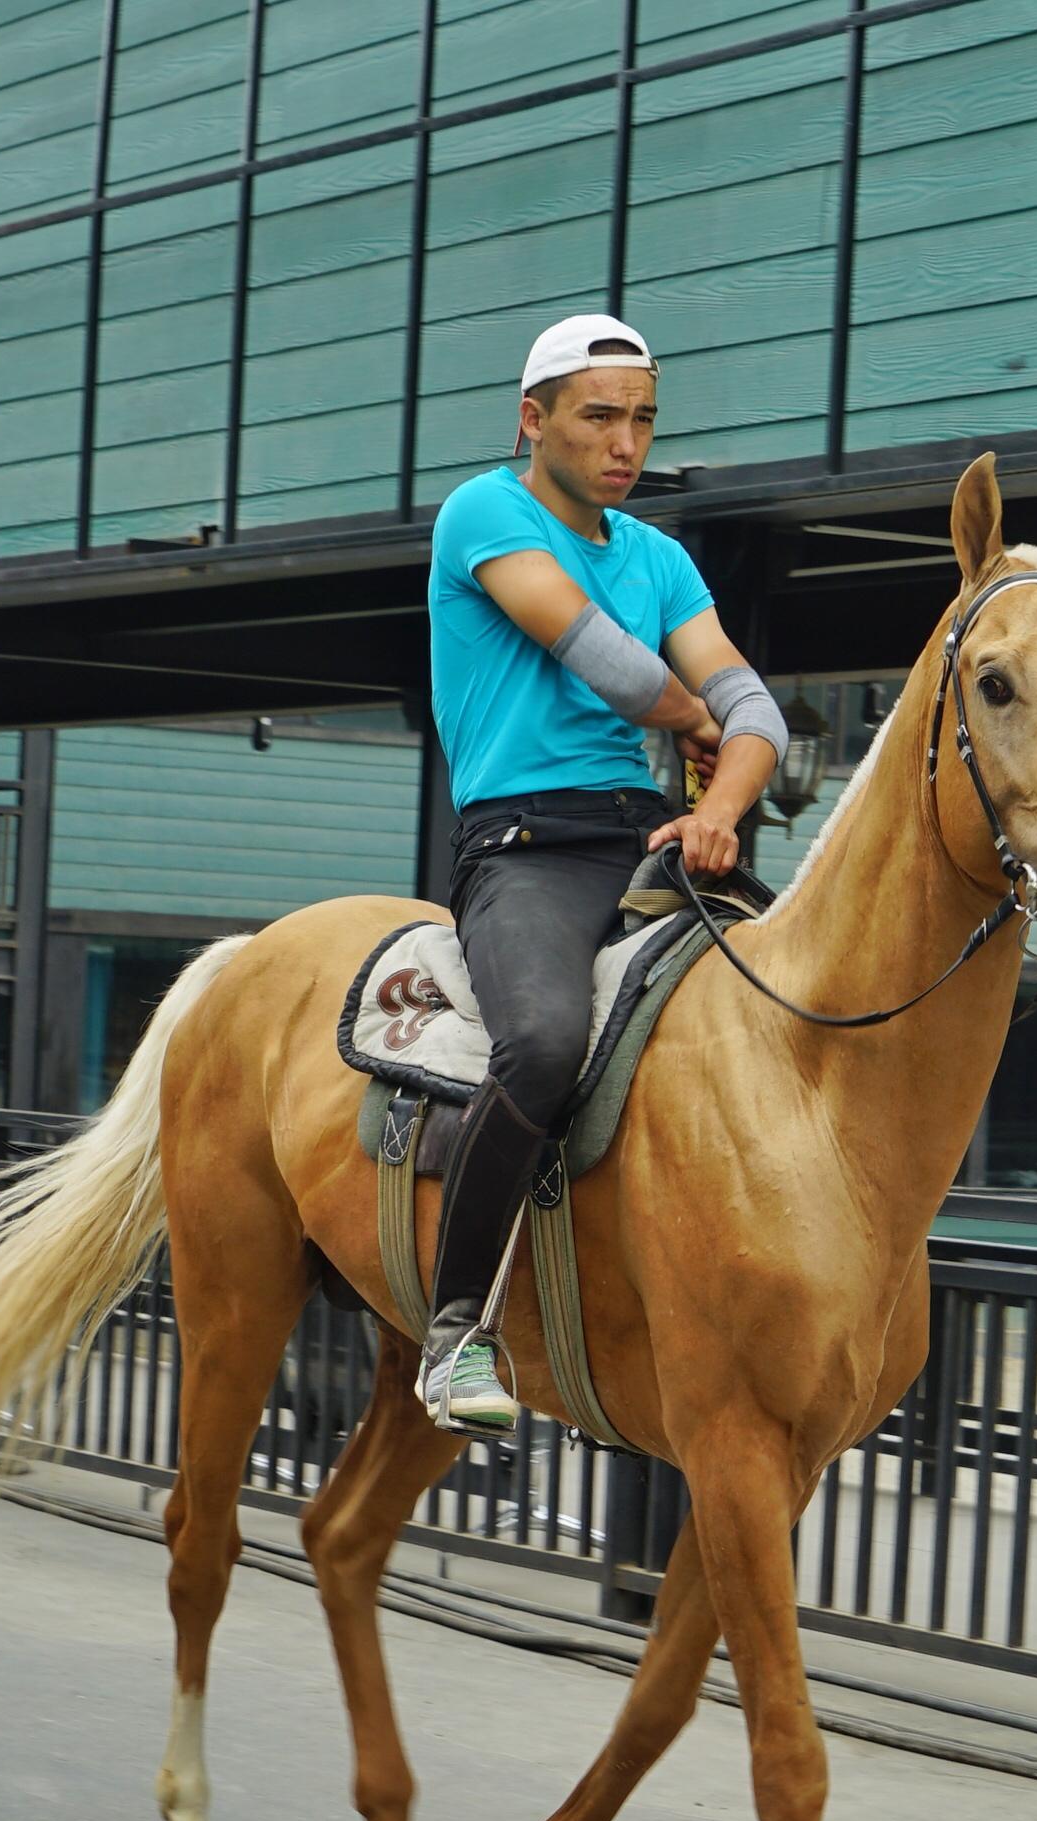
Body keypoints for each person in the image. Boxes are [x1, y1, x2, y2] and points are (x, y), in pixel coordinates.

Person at [414, 313, 787, 1436]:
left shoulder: (661, 558)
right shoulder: (486, 511)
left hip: (652, 840)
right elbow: (597, 653)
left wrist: (719, 806)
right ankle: (455, 1330)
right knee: (540, 1045)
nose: (626, 442)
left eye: (642, 419)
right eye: (600, 417)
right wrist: (693, 721)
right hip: (525, 848)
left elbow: (756, 707)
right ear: (533, 421)